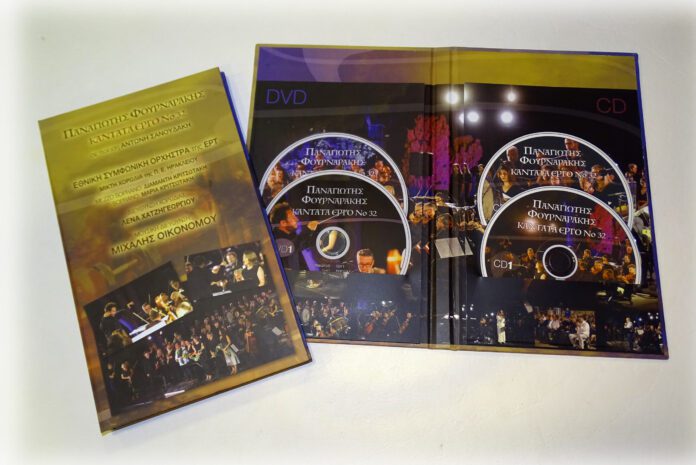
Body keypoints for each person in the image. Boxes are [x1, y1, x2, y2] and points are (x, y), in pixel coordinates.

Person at [270, 202, 318, 270]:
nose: (297, 219)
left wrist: (318, 240)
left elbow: (302, 245)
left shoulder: (291, 234)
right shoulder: (275, 238)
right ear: (283, 223)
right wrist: (308, 230)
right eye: (292, 217)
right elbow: (291, 247)